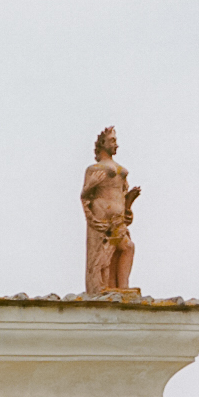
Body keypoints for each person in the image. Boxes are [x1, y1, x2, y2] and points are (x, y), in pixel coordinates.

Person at [81, 126, 139, 295]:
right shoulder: (93, 169)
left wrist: (129, 203)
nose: (116, 144)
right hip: (102, 218)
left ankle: (123, 288)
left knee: (128, 248)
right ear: (102, 143)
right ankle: (104, 288)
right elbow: (85, 197)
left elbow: (121, 196)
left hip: (117, 219)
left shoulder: (121, 171)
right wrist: (89, 186)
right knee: (104, 257)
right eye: (112, 140)